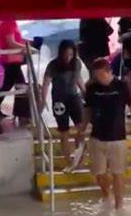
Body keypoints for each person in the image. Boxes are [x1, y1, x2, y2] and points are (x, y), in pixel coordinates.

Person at [80, 58, 131, 210]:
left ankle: (119, 205)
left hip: (117, 138)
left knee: (118, 173)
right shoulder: (92, 88)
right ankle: (106, 195)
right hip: (97, 137)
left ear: (109, 72)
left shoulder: (121, 86)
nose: (98, 79)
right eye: (95, 76)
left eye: (100, 76)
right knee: (99, 174)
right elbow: (88, 110)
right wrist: (81, 130)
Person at [42, 40, 86, 172]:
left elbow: (78, 79)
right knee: (64, 131)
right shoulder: (53, 65)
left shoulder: (76, 63)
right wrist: (43, 99)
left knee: (81, 128)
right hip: (59, 100)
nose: (68, 57)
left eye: (71, 54)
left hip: (74, 97)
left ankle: (79, 155)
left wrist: (85, 92)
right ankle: (68, 160)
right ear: (61, 53)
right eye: (66, 54)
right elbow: (46, 83)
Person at [0, 20, 37, 118]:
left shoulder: (11, 22)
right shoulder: (8, 23)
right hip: (11, 60)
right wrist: (27, 48)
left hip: (13, 60)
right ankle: (21, 114)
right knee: (21, 86)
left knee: (8, 86)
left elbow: (16, 39)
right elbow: (10, 43)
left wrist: (30, 43)